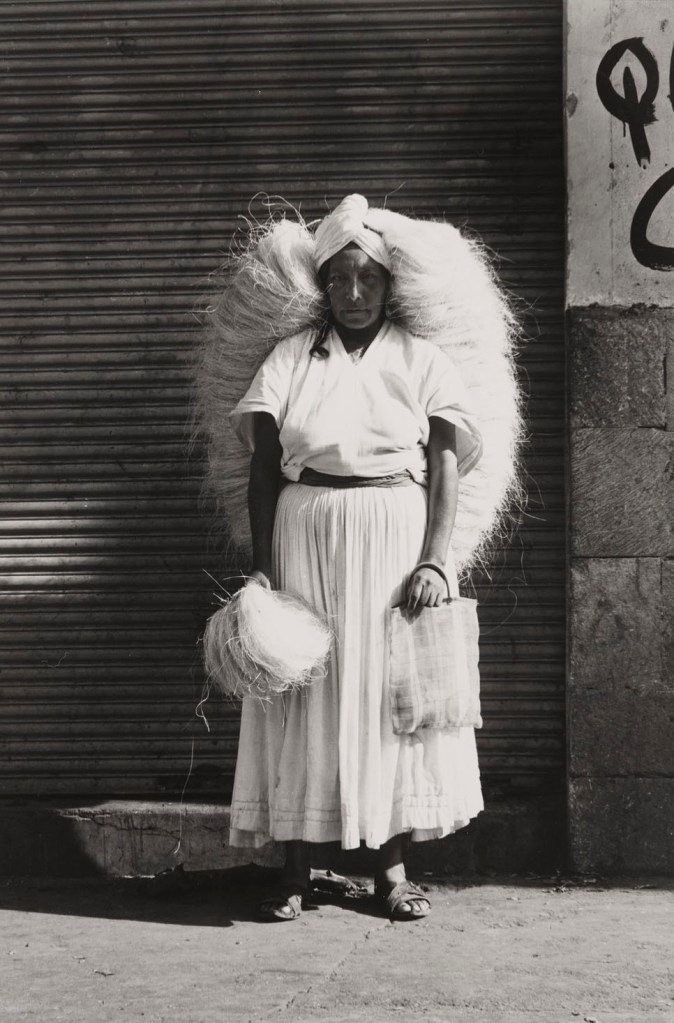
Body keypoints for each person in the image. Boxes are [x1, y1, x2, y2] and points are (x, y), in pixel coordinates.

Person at [226, 194, 488, 921]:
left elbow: (444, 466)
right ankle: (295, 869)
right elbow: (263, 470)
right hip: (305, 531)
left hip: (395, 538)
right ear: (324, 285)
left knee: (387, 700)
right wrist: (267, 572)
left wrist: (435, 560)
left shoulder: (420, 359)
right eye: (339, 278)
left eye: (367, 278)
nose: (353, 293)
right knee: (302, 695)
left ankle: (392, 872)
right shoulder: (291, 359)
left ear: (388, 284)